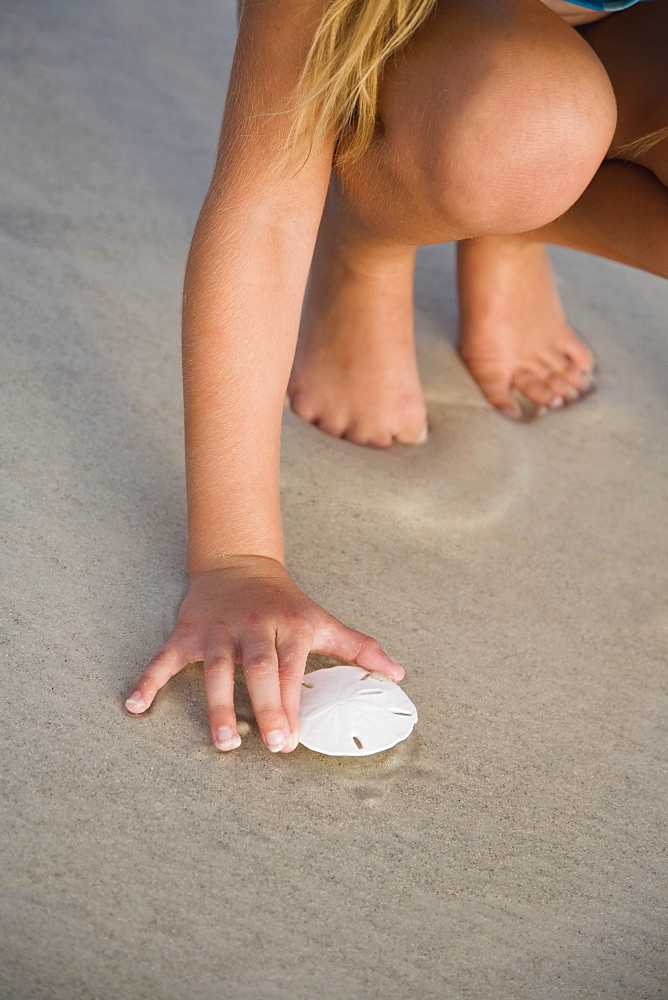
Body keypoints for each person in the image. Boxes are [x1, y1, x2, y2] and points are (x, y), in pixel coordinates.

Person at [125, 0, 667, 753]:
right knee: (530, 123)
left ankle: (517, 216)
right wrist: (236, 559)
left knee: (536, 145)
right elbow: (265, 212)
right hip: (439, 62)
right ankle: (373, 232)